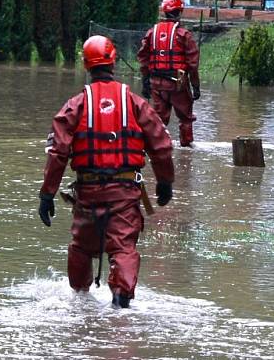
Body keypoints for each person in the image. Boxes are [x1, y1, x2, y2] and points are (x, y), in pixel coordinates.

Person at [38, 35, 174, 309]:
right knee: (123, 249)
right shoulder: (135, 103)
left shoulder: (75, 105)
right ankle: (121, 302)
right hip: (124, 195)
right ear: (113, 62)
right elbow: (161, 145)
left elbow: (58, 153)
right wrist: (165, 182)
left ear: (86, 65)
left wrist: (47, 195)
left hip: (88, 195)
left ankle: (79, 300)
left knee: (81, 247)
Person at [137, 0, 201, 147]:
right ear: (179, 12)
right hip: (178, 85)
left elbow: (143, 58)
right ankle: (186, 150)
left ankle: (154, 147)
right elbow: (192, 64)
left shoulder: (152, 33)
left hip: (157, 85)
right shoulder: (184, 35)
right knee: (185, 118)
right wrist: (195, 86)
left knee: (158, 119)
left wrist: (146, 82)